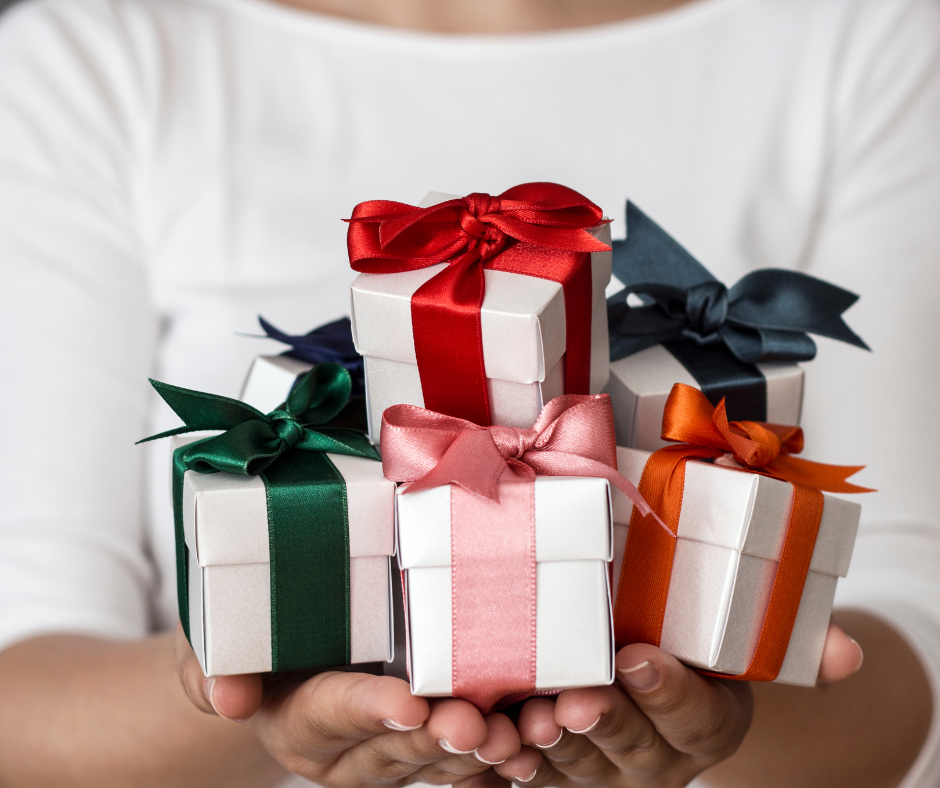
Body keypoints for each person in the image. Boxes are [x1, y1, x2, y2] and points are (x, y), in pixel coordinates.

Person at [0, 0, 937, 785]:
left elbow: (910, 632)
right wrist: (240, 693)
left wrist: (717, 726)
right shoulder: (92, 55)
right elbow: (24, 694)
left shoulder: (870, 35)